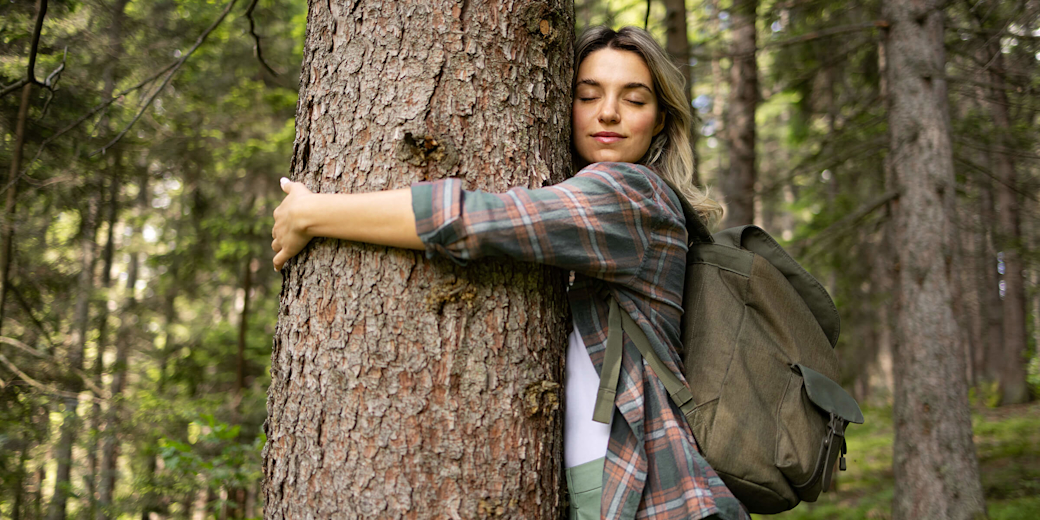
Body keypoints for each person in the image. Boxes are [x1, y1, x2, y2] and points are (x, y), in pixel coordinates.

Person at [272, 26, 748, 520]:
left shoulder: (631, 194)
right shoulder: (615, 210)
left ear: (661, 121)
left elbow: (479, 220)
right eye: (588, 95)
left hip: (644, 486)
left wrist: (312, 213)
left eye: (634, 99)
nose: (608, 111)